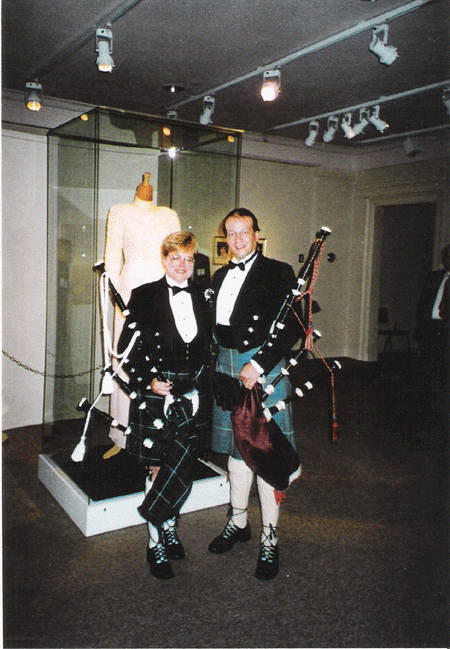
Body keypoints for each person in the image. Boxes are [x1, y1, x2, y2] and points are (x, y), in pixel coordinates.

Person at [208, 208, 304, 580]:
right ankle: (239, 521)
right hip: (227, 368)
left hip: (259, 367)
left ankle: (269, 537)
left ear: (256, 234)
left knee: (265, 451)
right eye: (230, 233)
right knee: (236, 450)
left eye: (243, 232)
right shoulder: (219, 274)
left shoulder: (277, 271)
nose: (237, 239)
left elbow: (292, 327)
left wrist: (260, 364)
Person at [118, 232, 211, 580]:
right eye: (175, 258)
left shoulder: (204, 296)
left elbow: (209, 346)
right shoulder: (144, 296)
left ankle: (170, 526)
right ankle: (155, 541)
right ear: (164, 259)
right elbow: (125, 348)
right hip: (157, 394)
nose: (182, 265)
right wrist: (148, 382)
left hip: (191, 394)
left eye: (188, 259)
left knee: (181, 466)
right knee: (158, 468)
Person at [104, 173, 180, 453]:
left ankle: (160, 429)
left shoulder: (168, 215)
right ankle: (123, 434)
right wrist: (114, 300)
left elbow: (177, 253)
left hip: (162, 290)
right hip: (130, 288)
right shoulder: (119, 211)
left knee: (160, 355)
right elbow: (111, 258)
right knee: (128, 357)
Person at [414, 243, 450, 451]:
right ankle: (428, 426)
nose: (448, 260)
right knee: (429, 381)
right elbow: (422, 306)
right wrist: (420, 333)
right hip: (431, 334)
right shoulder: (435, 277)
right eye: (446, 256)